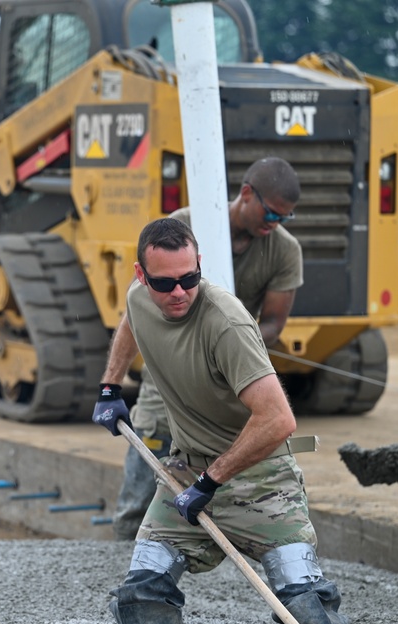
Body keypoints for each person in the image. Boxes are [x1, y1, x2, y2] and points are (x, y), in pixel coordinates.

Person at [92, 217, 347, 624]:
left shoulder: (226, 324)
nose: (178, 292)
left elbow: (278, 420)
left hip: (260, 479)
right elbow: (132, 321)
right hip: (186, 471)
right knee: (141, 601)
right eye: (164, 283)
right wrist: (110, 386)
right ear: (141, 275)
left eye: (189, 278)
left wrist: (210, 483)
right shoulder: (141, 296)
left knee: (308, 610)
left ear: (199, 265)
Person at [112, 157, 303, 541]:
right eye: (270, 213)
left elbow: (273, 325)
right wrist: (110, 385)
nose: (275, 224)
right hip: (166, 372)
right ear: (246, 194)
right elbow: (139, 309)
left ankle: (220, 533)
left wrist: (224, 345)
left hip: (228, 372)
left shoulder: (283, 251)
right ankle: (131, 538)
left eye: (284, 218)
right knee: (147, 444)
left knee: (238, 456)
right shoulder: (184, 226)